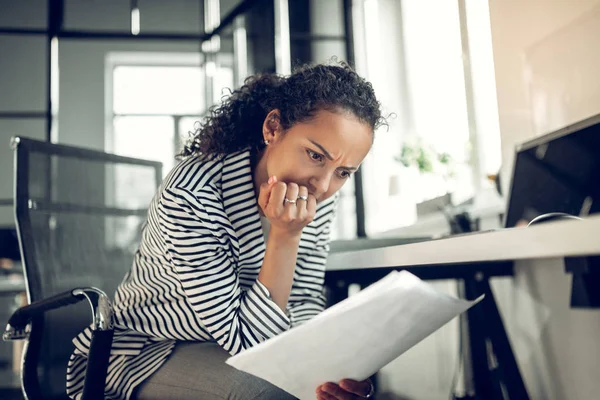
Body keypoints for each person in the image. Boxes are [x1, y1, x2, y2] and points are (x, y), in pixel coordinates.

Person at [66, 62, 385, 400]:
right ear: (273, 128)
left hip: (239, 348)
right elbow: (248, 342)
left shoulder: (316, 195)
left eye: (344, 173)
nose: (323, 185)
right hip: (144, 351)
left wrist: (325, 370)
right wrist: (286, 237)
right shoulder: (193, 195)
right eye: (315, 155)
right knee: (267, 395)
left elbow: (303, 298)